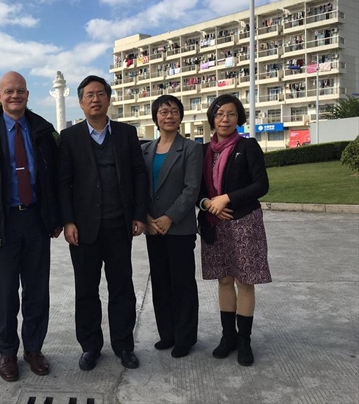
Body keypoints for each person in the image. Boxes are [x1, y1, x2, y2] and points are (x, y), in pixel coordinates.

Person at [0, 71, 62, 382]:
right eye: (9, 91)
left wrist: (56, 216)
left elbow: (55, 177)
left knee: (37, 290)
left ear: (28, 95)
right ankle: (7, 351)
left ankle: (33, 349)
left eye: (20, 90)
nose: (15, 96)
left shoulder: (42, 131)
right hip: (3, 223)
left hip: (36, 219)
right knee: (6, 294)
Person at [58, 75, 147, 371]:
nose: (95, 99)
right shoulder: (69, 137)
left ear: (108, 99)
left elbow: (138, 175)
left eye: (100, 94)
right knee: (86, 290)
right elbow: (63, 182)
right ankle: (90, 346)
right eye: (89, 95)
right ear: (81, 102)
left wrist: (138, 214)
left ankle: (124, 345)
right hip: (84, 229)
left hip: (119, 225)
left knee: (122, 288)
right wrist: (68, 221)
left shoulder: (126, 133)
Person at [197, 94, 271, 367]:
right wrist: (208, 204)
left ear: (238, 117)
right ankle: (228, 336)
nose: (224, 119)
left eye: (230, 114)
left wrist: (226, 198)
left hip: (244, 222)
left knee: (245, 282)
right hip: (215, 223)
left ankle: (244, 341)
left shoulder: (247, 146)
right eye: (219, 114)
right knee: (224, 280)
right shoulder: (203, 151)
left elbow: (261, 185)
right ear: (212, 119)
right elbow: (198, 191)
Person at [141, 95, 203, 359]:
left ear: (180, 116)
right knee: (160, 282)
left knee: (182, 284)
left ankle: (185, 337)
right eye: (163, 111)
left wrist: (169, 217)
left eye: (174, 111)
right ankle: (166, 333)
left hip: (179, 228)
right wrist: (146, 217)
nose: (169, 116)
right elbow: (139, 187)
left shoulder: (191, 149)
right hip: (152, 227)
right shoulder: (145, 150)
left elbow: (192, 189)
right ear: (155, 117)